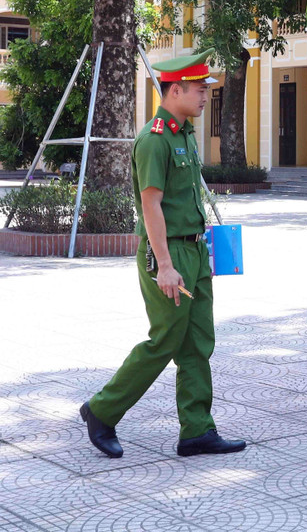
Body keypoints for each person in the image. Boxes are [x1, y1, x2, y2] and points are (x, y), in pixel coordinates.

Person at [80, 49, 246, 458]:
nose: (207, 95)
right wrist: (166, 266)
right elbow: (150, 205)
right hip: (167, 254)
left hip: (194, 249)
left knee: (197, 342)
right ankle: (102, 411)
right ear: (175, 90)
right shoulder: (154, 139)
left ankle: (196, 431)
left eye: (208, 89)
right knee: (165, 340)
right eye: (200, 89)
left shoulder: (183, 132)